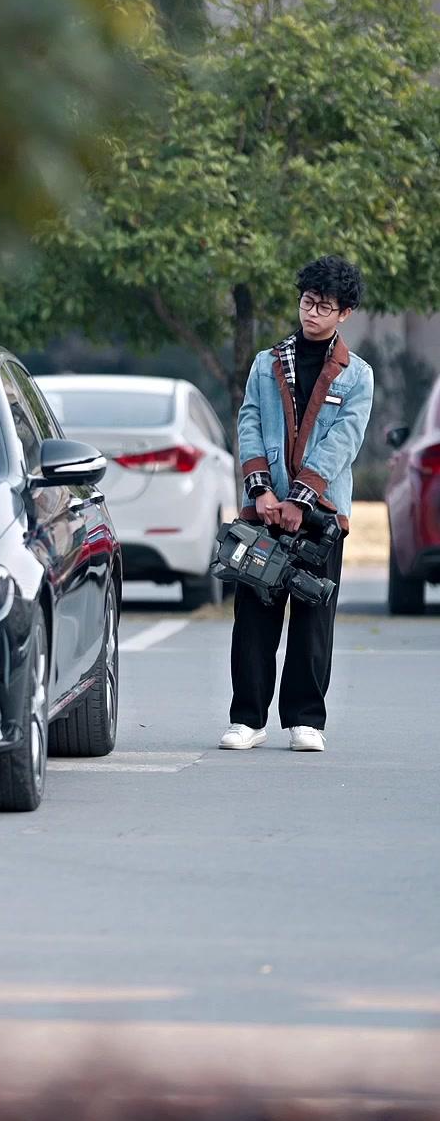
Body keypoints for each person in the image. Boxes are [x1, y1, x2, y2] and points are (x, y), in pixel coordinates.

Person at [220, 257, 373, 754]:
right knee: (254, 616)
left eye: (324, 307)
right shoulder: (267, 363)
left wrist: (301, 500)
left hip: (322, 516)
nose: (311, 313)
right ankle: (247, 719)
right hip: (263, 512)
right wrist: (261, 491)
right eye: (307, 302)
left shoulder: (358, 377)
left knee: (313, 619)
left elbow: (343, 442)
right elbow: (248, 423)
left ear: (344, 313)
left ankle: (305, 721)